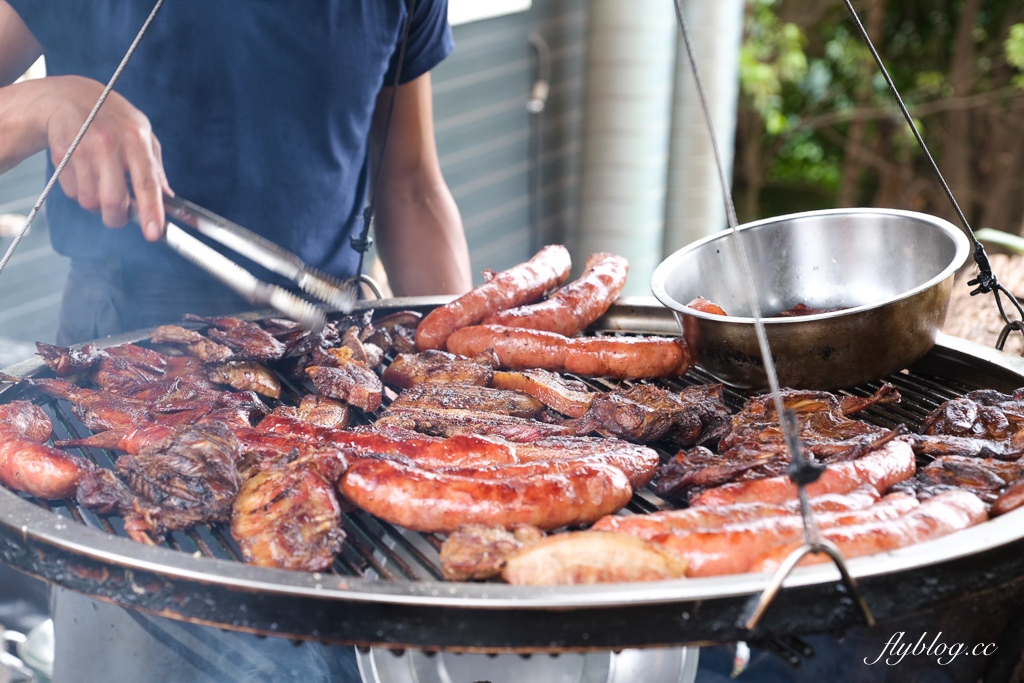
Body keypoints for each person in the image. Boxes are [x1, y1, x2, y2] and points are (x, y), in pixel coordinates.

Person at [0, 1, 471, 681]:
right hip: (127, 366)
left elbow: (410, 184)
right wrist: (49, 101)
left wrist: (452, 375)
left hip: (330, 374)